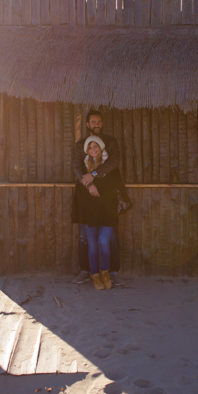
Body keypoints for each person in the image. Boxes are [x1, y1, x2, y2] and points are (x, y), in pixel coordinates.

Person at [72, 136, 131, 290]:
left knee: (104, 242)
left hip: (108, 210)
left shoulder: (109, 167)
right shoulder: (84, 167)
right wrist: (90, 186)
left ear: (101, 147)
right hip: (90, 211)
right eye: (89, 148)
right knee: (92, 244)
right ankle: (95, 275)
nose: (93, 150)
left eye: (95, 146)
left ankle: (105, 272)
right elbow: (82, 190)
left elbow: (115, 187)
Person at [72, 111, 121, 283]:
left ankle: (112, 272)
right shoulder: (80, 145)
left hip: (107, 195)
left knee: (111, 237)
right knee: (85, 238)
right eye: (93, 122)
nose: (97, 124)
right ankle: (86, 271)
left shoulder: (110, 142)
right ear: (87, 124)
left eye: (99, 121)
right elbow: (77, 168)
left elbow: (114, 162)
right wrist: (89, 183)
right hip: (86, 196)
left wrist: (94, 174)